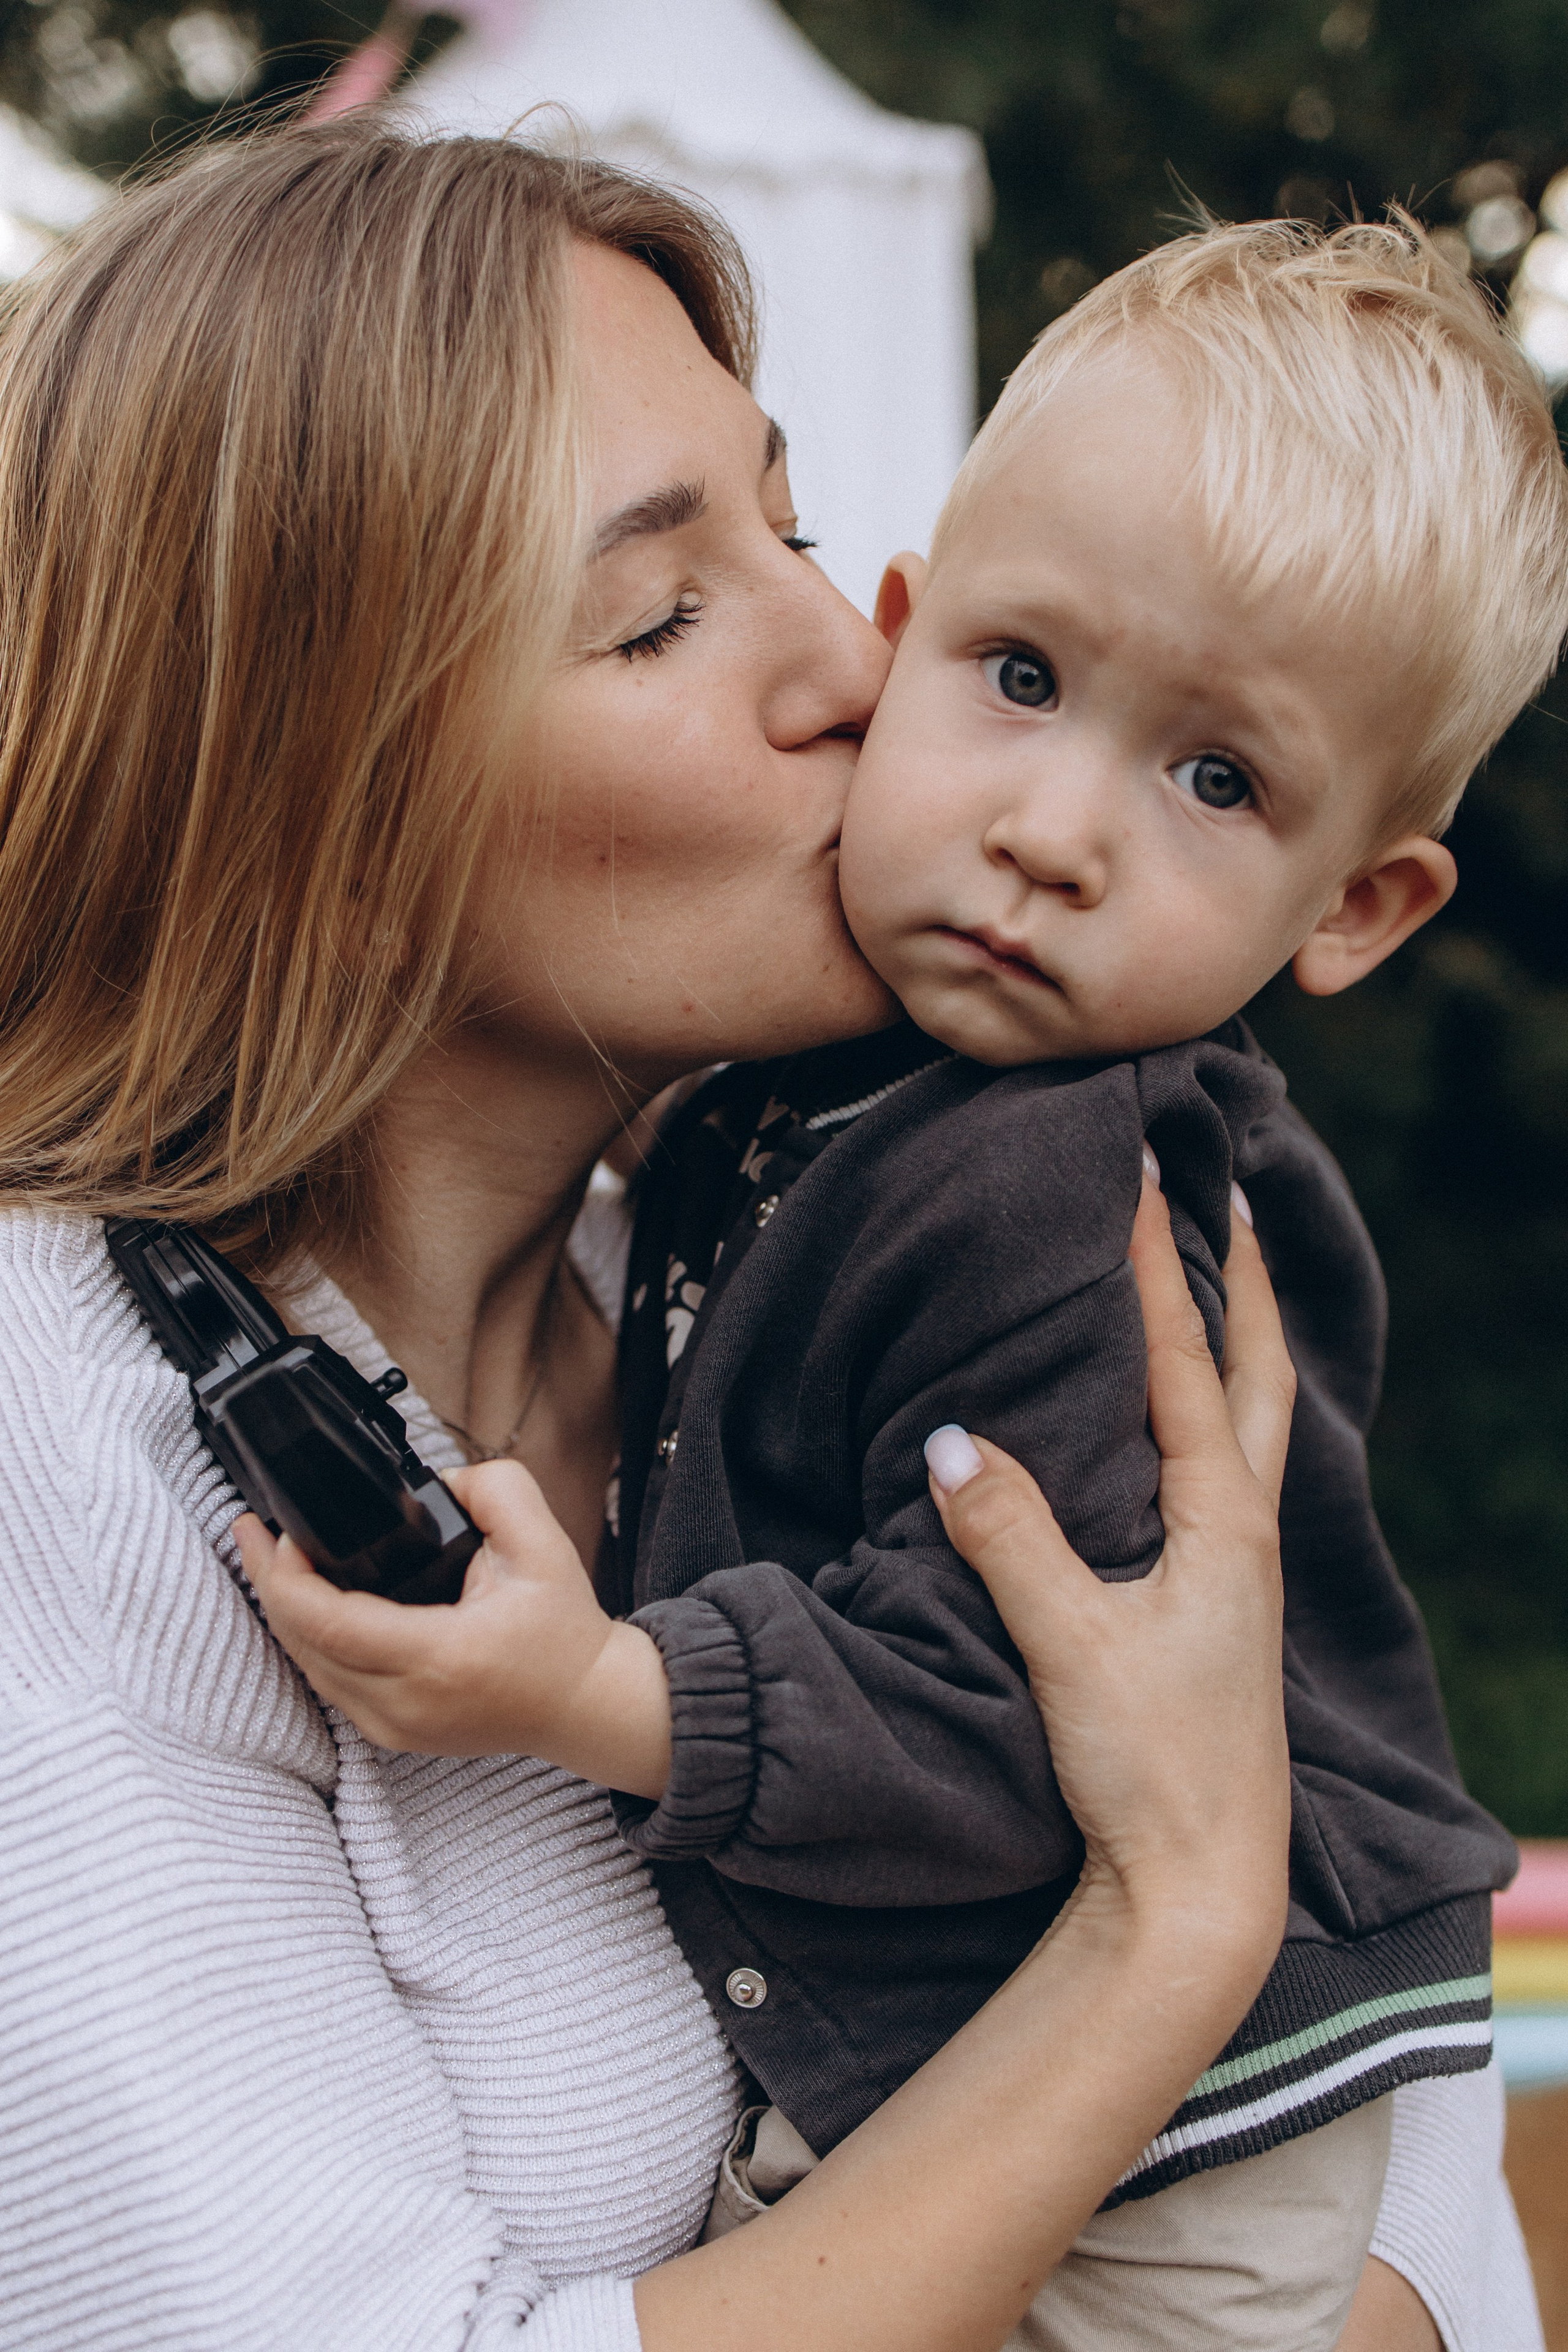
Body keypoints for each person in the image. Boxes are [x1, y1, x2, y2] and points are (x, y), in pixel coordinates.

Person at [0, 121, 1532, 2351]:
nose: (852, 651)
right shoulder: (66, 1443)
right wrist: (1166, 1926)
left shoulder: (786, 1271)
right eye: (664, 612)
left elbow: (1404, 2088)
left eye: (795, 524)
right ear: (304, 783)